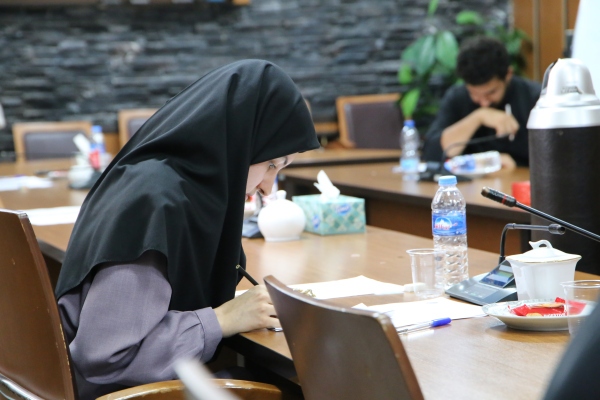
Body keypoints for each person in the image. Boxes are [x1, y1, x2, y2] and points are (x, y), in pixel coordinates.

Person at [54, 59, 320, 399]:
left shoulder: (172, 185)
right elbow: (106, 355)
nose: (269, 187)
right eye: (271, 164)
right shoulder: (155, 200)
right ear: (239, 141)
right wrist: (222, 319)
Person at [422, 36, 541, 167]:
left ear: (508, 74)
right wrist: (479, 116)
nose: (484, 102)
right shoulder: (457, 97)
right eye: (475, 94)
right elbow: (431, 154)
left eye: (491, 92)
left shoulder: (536, 98)